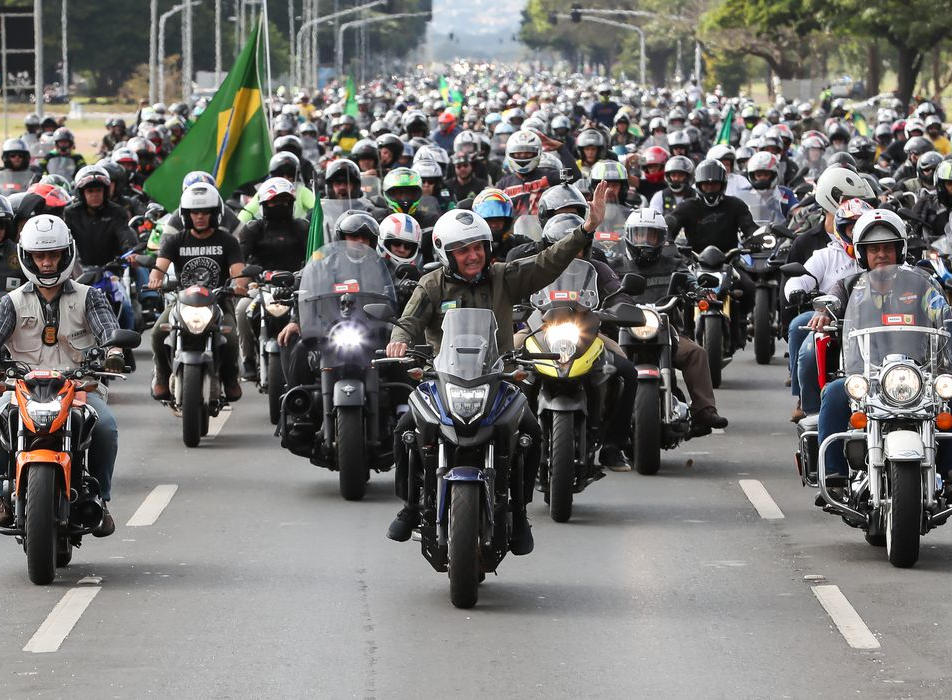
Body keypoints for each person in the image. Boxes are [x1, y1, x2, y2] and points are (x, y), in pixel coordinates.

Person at [384, 180, 614, 552]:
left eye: (477, 247)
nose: (473, 256)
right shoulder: (431, 285)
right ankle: (411, 506)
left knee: (531, 433)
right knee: (406, 430)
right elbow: (409, 320)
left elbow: (548, 263)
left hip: (499, 378)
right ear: (446, 253)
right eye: (462, 250)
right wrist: (399, 341)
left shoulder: (504, 277)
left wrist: (586, 229)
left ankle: (520, 515)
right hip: (441, 379)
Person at [0, 216, 127, 534]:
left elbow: (108, 329)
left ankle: (99, 498)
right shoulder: (11, 302)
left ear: (65, 254)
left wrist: (113, 353)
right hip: (21, 389)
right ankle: (1, 498)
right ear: (28, 257)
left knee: (106, 428)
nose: (46, 263)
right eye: (40, 256)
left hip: (79, 387)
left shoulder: (89, 296)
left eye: (53, 255)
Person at [816, 209, 951, 486]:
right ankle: (834, 474)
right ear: (861, 254)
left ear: (899, 250)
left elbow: (940, 309)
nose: (881, 254)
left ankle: (948, 471)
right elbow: (833, 304)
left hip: (920, 373)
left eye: (887, 248)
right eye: (873, 249)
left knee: (948, 398)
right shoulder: (850, 285)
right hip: (867, 373)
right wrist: (826, 314)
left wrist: (948, 317)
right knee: (833, 393)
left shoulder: (921, 284)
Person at [506, 211, 640, 470]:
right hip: (536, 331)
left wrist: (619, 308)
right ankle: (504, 441)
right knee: (501, 364)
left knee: (627, 372)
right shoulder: (531, 267)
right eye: (562, 247)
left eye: (577, 248)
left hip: (586, 333)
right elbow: (505, 291)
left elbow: (617, 294)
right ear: (548, 247)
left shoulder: (599, 268)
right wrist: (511, 309)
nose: (570, 253)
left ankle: (613, 446)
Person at [623, 207, 729, 434]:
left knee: (695, 353)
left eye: (651, 236)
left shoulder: (673, 264)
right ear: (629, 236)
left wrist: (701, 292)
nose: (646, 242)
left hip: (665, 329)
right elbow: (600, 285)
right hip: (623, 331)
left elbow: (689, 279)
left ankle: (704, 411)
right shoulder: (617, 266)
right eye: (640, 235)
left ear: (661, 239)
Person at [147, 184, 246, 403]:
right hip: (183, 302)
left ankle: (230, 378)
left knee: (230, 339)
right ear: (186, 215)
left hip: (218, 301)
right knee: (156, 334)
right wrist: (155, 279)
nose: (200, 217)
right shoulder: (175, 241)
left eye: (205, 212)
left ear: (215, 214)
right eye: (195, 212)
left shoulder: (227, 241)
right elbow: (160, 266)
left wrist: (240, 284)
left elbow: (239, 271)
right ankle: (163, 375)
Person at [785, 198, 869, 420]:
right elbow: (799, 279)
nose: (857, 232)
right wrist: (796, 291)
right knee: (809, 346)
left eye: (862, 226)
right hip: (831, 317)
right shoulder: (826, 255)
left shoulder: (877, 255)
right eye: (852, 227)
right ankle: (809, 406)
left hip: (877, 319)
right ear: (842, 230)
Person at [235, 177, 309, 379]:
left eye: (285, 202)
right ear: (264, 205)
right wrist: (244, 282)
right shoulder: (251, 229)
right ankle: (248, 359)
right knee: (242, 309)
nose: (280, 206)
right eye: (275, 202)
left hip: (296, 286)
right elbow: (240, 261)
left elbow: (314, 258)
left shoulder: (303, 227)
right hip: (260, 286)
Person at [473, 187, 533, 262]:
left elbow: (540, 250)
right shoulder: (471, 246)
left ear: (507, 221)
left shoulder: (516, 242)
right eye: (490, 221)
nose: (494, 225)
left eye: (499, 220)